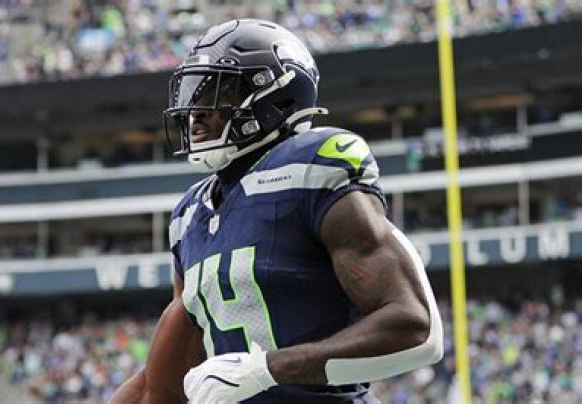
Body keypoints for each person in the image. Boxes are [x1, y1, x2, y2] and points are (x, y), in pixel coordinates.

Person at [112, 19, 443, 403]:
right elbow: (161, 381)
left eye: (218, 92)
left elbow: (416, 329)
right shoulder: (190, 216)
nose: (196, 112)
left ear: (276, 97)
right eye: (193, 95)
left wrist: (268, 369)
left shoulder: (312, 167)